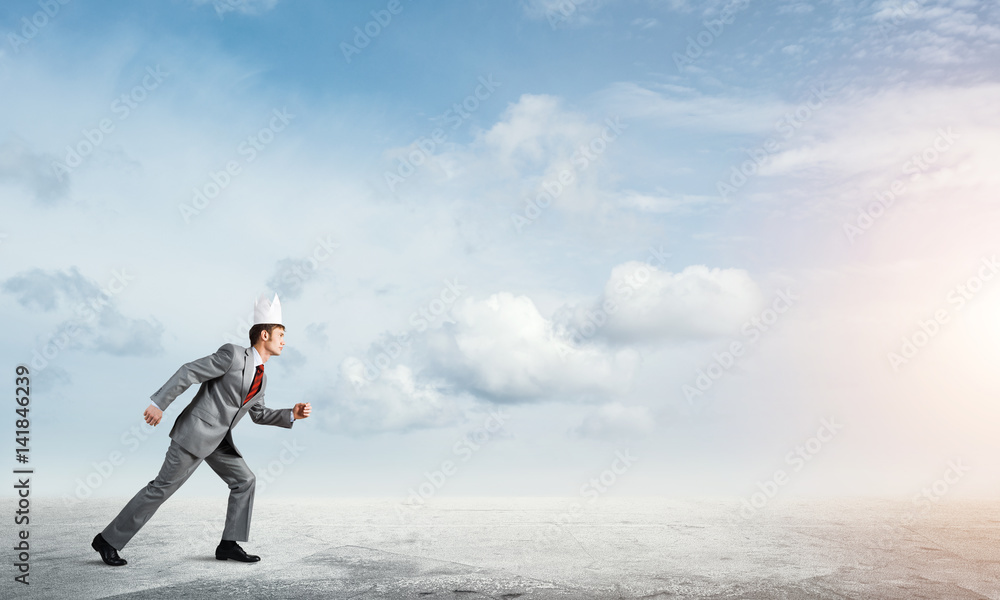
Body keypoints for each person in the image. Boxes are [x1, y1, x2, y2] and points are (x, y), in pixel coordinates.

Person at [92, 293, 311, 566]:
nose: (284, 341)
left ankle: (228, 545)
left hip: (219, 441)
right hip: (194, 434)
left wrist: (291, 414)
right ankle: (108, 540)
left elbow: (258, 414)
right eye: (281, 334)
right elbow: (189, 371)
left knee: (245, 481)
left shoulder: (262, 378)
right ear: (264, 335)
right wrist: (159, 404)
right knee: (161, 488)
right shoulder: (232, 354)